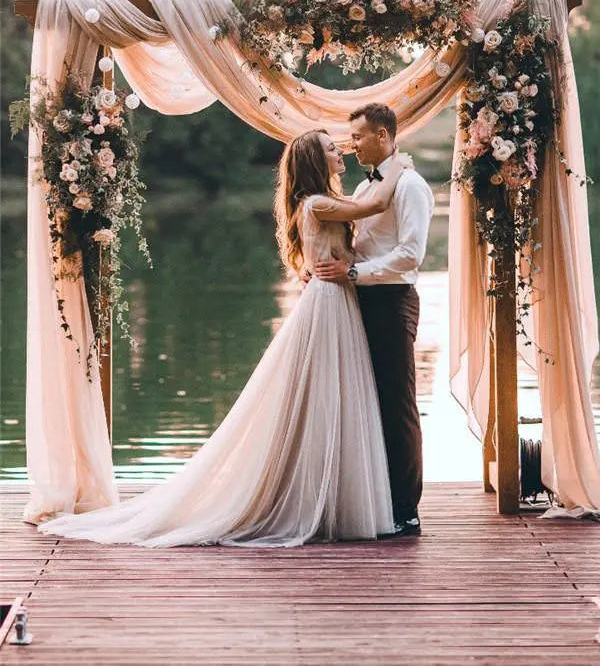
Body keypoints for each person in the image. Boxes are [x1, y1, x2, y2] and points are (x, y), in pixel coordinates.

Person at [39, 129, 410, 548]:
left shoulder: (322, 203)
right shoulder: (318, 203)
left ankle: (333, 494)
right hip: (328, 304)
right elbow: (375, 204)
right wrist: (400, 165)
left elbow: (352, 235)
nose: (339, 150)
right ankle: (313, 496)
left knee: (335, 394)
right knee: (322, 393)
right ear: (313, 161)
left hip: (336, 297)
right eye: (330, 148)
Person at [313, 104, 434, 537]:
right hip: (360, 302)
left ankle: (406, 509)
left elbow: (410, 254)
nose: (352, 144)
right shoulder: (366, 189)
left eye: (359, 137)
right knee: (366, 401)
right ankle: (376, 499)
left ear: (383, 135)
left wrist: (353, 273)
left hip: (392, 300)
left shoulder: (411, 187)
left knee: (396, 403)